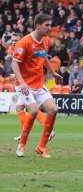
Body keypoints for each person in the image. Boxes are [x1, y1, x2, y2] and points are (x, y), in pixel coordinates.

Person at [12, 14, 63, 158]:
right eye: (47, 25)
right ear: (38, 26)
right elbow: (14, 63)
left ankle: (41, 147)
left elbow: (44, 57)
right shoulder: (24, 42)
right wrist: (21, 82)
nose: (50, 28)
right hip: (25, 85)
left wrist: (53, 73)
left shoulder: (46, 41)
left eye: (50, 25)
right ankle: (22, 145)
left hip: (39, 83)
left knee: (53, 110)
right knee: (33, 111)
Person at [9, 33, 55, 142]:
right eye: (12, 40)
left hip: (28, 85)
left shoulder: (24, 48)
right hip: (22, 84)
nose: (14, 42)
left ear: (21, 40)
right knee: (19, 108)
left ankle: (47, 130)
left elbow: (30, 67)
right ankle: (24, 132)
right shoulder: (16, 50)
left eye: (16, 40)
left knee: (31, 109)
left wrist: (16, 76)